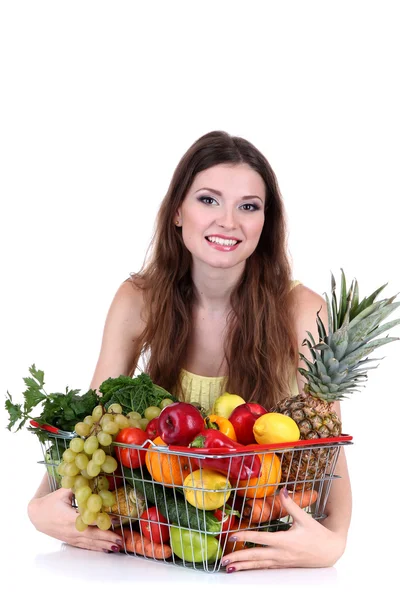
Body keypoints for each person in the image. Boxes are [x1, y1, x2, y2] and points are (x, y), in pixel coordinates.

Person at [27, 130, 351, 569]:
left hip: (254, 532)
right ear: (178, 211)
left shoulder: (304, 312)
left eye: (248, 206)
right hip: (152, 537)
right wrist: (37, 507)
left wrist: (332, 546)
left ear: (264, 223)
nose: (228, 222)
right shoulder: (138, 299)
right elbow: (94, 421)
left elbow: (330, 460)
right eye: (209, 200)